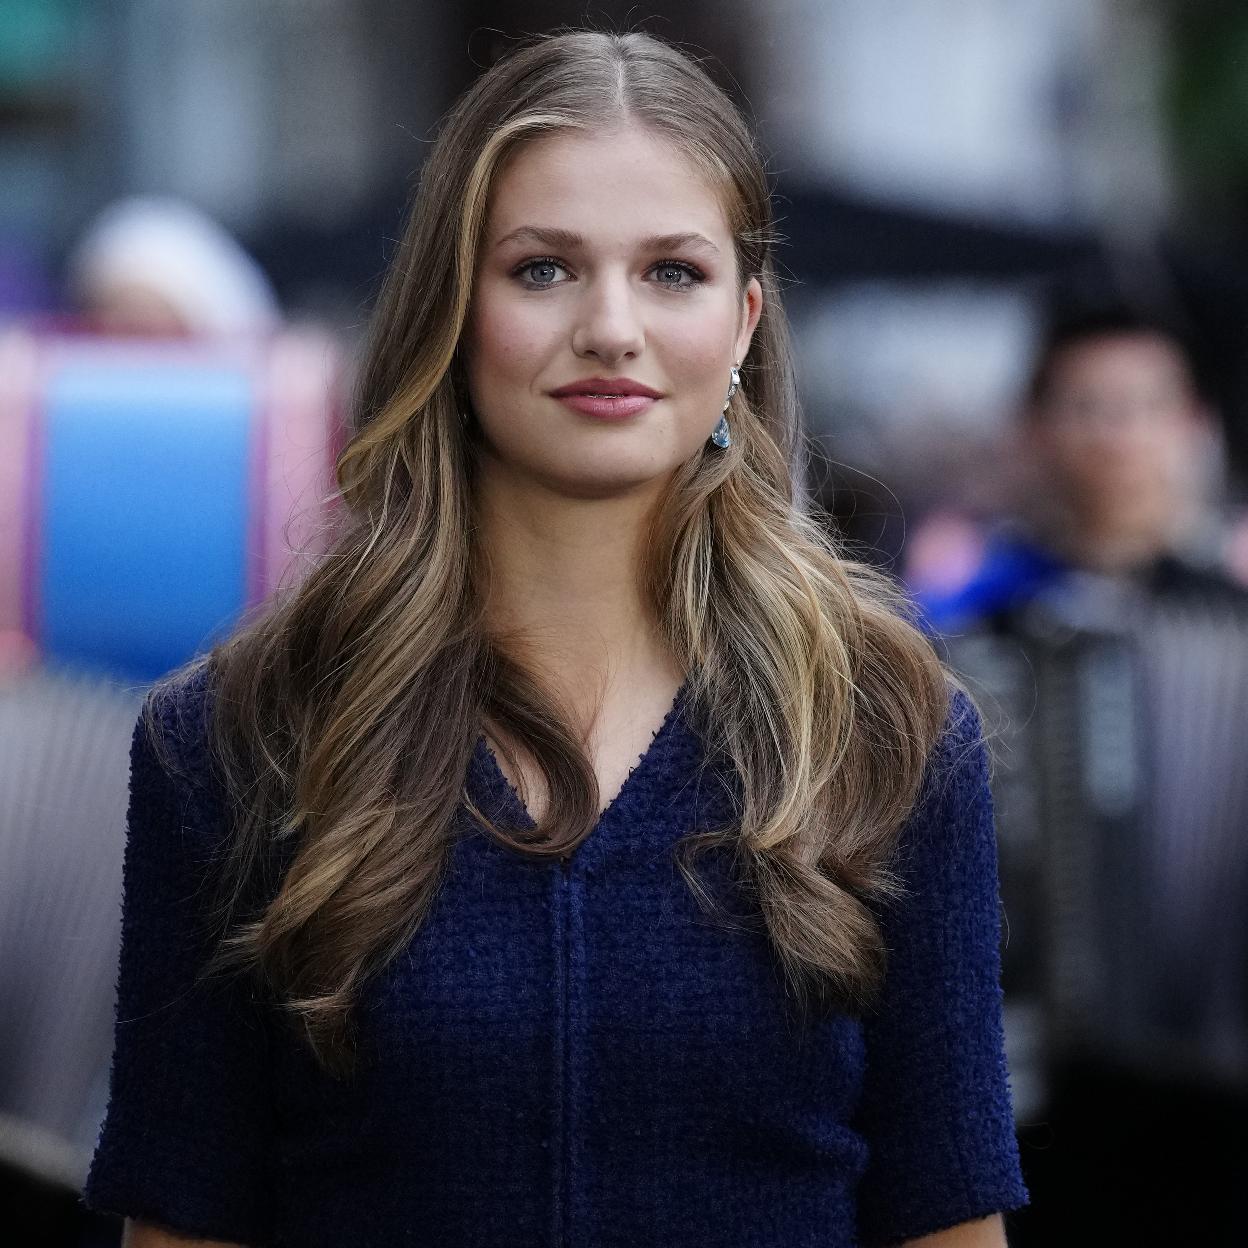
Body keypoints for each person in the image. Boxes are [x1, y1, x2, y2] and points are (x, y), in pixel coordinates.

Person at [82, 30, 1026, 1248]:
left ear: (744, 322)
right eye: (542, 269)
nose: (612, 328)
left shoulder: (888, 724)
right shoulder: (238, 734)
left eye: (672, 271)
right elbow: (181, 1223)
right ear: (451, 306)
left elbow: (949, 1221)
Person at [913, 298, 1248, 1245]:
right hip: (1044, 1098)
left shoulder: (1231, 620)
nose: (1116, 436)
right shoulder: (972, 633)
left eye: (1144, 406)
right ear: (1034, 427)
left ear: (1192, 425)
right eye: (1087, 407)